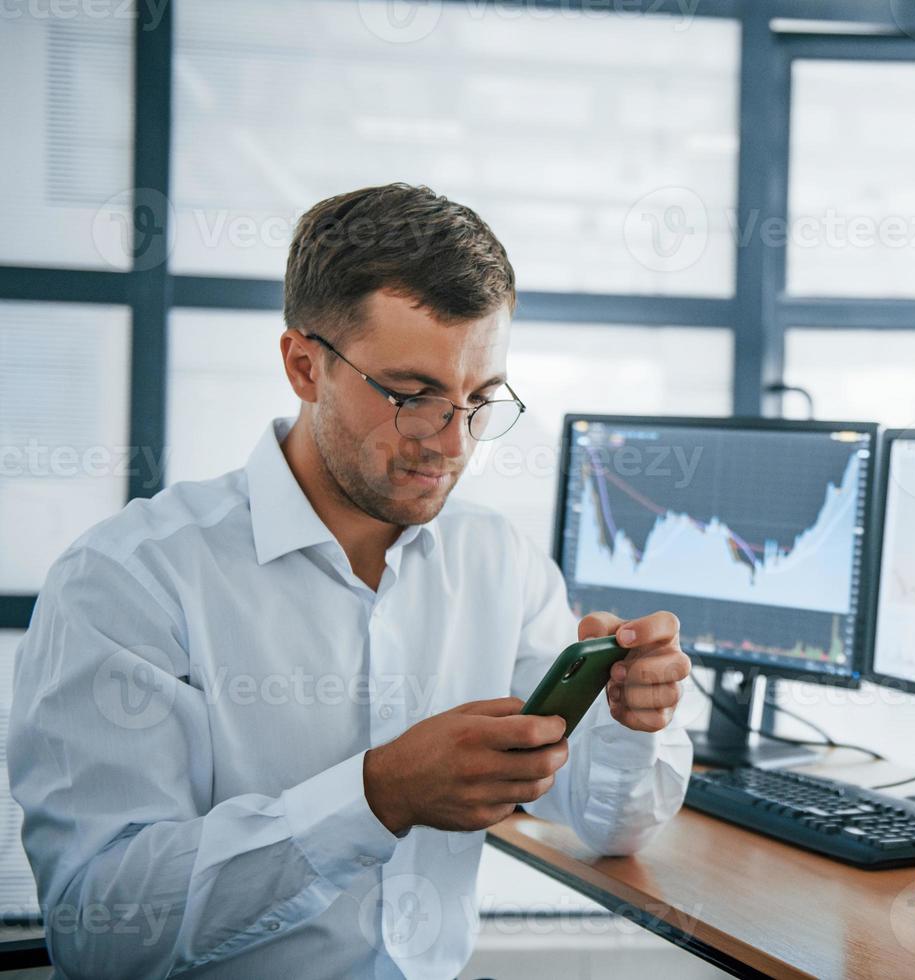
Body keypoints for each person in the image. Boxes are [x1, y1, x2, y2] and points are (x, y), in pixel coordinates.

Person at [8, 183, 693, 978]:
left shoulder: (500, 562)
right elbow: (99, 931)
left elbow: (611, 828)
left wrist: (629, 724)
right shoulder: (128, 581)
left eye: (480, 399)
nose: (453, 443)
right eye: (413, 395)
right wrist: (375, 798)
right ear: (305, 365)